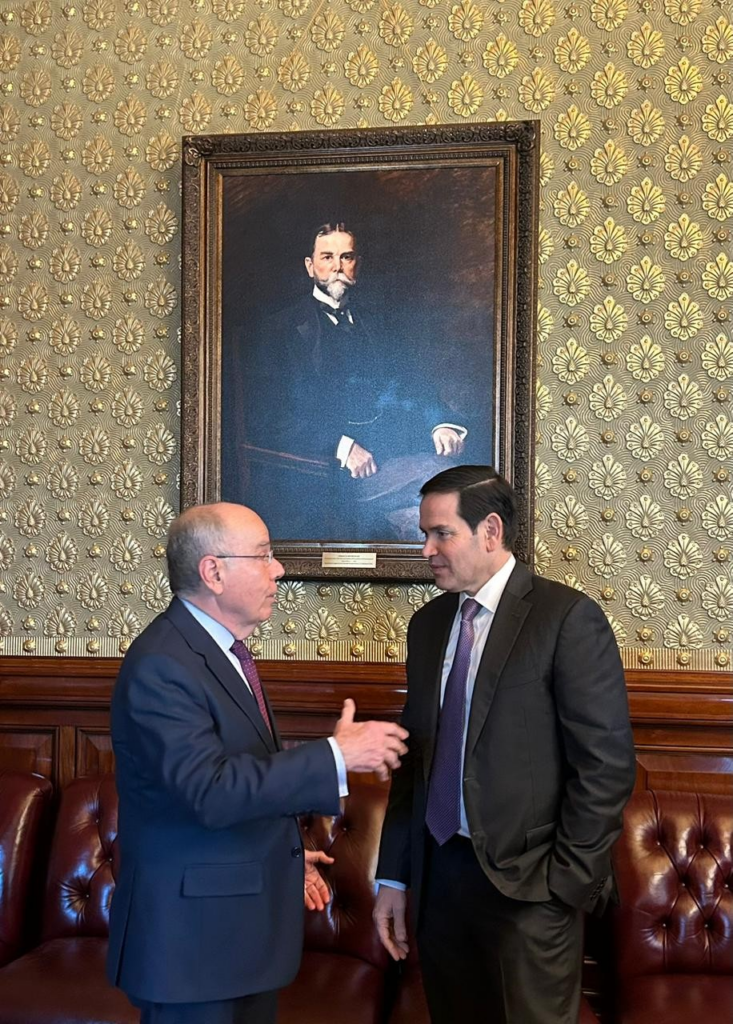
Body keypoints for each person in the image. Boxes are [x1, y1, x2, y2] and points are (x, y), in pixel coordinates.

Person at [106, 501, 409, 1024]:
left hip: (231, 941)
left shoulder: (219, 651)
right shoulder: (162, 664)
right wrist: (337, 754)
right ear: (214, 572)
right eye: (264, 555)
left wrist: (281, 857)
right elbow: (210, 791)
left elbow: (235, 785)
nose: (279, 569)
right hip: (192, 949)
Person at [373, 466, 636, 1024]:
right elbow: (415, 760)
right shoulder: (428, 625)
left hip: (530, 890)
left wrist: (563, 886)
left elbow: (605, 767)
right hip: (439, 881)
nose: (426, 550)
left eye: (442, 533)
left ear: (490, 531)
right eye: (425, 534)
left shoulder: (566, 618)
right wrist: (394, 876)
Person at [221, 222, 474, 541]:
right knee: (447, 485)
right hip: (318, 474)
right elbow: (268, 418)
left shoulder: (377, 323)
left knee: (454, 498)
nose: (338, 267)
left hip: (388, 458)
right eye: (327, 257)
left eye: (347, 257)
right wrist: (341, 446)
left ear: (358, 265)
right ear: (310, 266)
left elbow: (413, 384)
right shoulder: (278, 330)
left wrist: (441, 424)